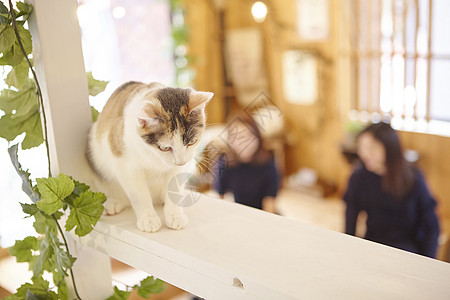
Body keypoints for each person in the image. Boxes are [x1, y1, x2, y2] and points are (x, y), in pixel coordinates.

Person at [344, 122, 440, 258]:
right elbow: (351, 215)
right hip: (373, 244)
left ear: (389, 148)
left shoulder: (413, 178)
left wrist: (429, 262)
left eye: (372, 148)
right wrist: (348, 250)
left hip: (407, 250)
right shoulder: (359, 176)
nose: (365, 154)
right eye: (362, 147)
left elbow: (432, 226)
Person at [214, 112, 279, 213]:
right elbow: (220, 199)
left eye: (246, 137)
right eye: (235, 137)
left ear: (257, 137)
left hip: (262, 214)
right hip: (238, 213)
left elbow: (269, 205)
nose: (240, 143)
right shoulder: (225, 163)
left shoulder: (268, 164)